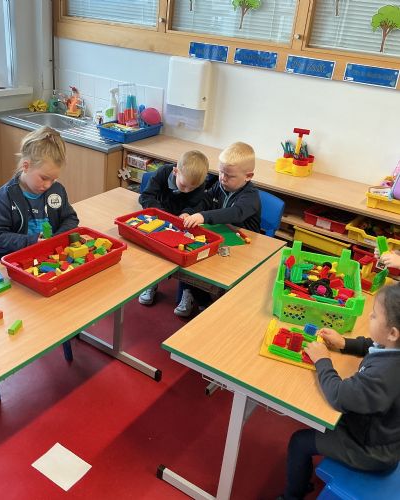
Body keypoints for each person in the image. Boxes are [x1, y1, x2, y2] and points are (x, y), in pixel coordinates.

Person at [278, 283, 400, 500]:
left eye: (374, 316)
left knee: (299, 441)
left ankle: (292, 496)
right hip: (377, 429)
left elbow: (338, 396)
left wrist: (322, 360)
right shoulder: (393, 347)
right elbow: (373, 344)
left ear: (392, 333)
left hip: (370, 449)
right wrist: (345, 343)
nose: (369, 317)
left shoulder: (385, 376)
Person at [176, 142, 261, 317]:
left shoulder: (251, 196)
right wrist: (189, 212)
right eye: (221, 172)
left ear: (248, 176)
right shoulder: (220, 185)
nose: (223, 178)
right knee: (190, 255)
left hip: (243, 249)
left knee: (217, 275)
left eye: (229, 175)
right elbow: (204, 201)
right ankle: (192, 293)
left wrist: (204, 216)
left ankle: (214, 301)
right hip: (221, 240)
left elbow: (235, 213)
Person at [0, 126, 79, 256]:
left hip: (51, 255)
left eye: (53, 179)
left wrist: (56, 239)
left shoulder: (56, 190)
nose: (48, 185)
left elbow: (70, 219)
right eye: (44, 178)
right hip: (19, 258)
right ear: (26, 166)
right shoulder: (4, 197)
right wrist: (32, 241)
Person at [137, 150, 209, 309]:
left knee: (186, 254)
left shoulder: (198, 183)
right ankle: (151, 282)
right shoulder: (163, 173)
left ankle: (187, 290)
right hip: (158, 220)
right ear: (176, 171)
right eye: (184, 185)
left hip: (182, 225)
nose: (187, 190)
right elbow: (146, 196)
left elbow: (198, 204)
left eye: (192, 187)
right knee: (154, 252)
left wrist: (188, 212)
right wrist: (162, 214)